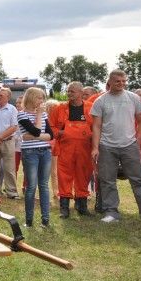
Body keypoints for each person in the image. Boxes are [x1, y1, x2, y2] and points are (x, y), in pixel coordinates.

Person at [90, 70, 141, 226]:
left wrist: (137, 140)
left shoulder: (134, 98)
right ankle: (111, 212)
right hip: (106, 146)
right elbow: (96, 126)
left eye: (124, 81)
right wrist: (95, 147)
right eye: (118, 81)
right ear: (110, 82)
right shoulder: (100, 101)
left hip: (130, 145)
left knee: (139, 180)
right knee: (107, 180)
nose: (122, 83)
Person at [49, 82, 94, 217]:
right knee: (64, 176)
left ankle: (82, 206)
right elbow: (51, 126)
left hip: (85, 147)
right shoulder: (59, 108)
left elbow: (97, 127)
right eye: (68, 91)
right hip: (65, 147)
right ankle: (64, 208)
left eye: (72, 91)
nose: (69, 94)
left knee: (84, 174)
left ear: (81, 93)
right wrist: (60, 133)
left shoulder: (91, 108)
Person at [18, 87, 53, 227]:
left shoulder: (44, 115)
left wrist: (28, 136)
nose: (42, 101)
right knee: (31, 186)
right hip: (30, 153)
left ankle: (45, 220)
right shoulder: (21, 115)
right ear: (31, 98)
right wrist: (38, 115)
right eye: (39, 98)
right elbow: (38, 130)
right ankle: (29, 220)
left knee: (44, 185)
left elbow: (51, 135)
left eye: (42, 98)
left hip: (45, 151)